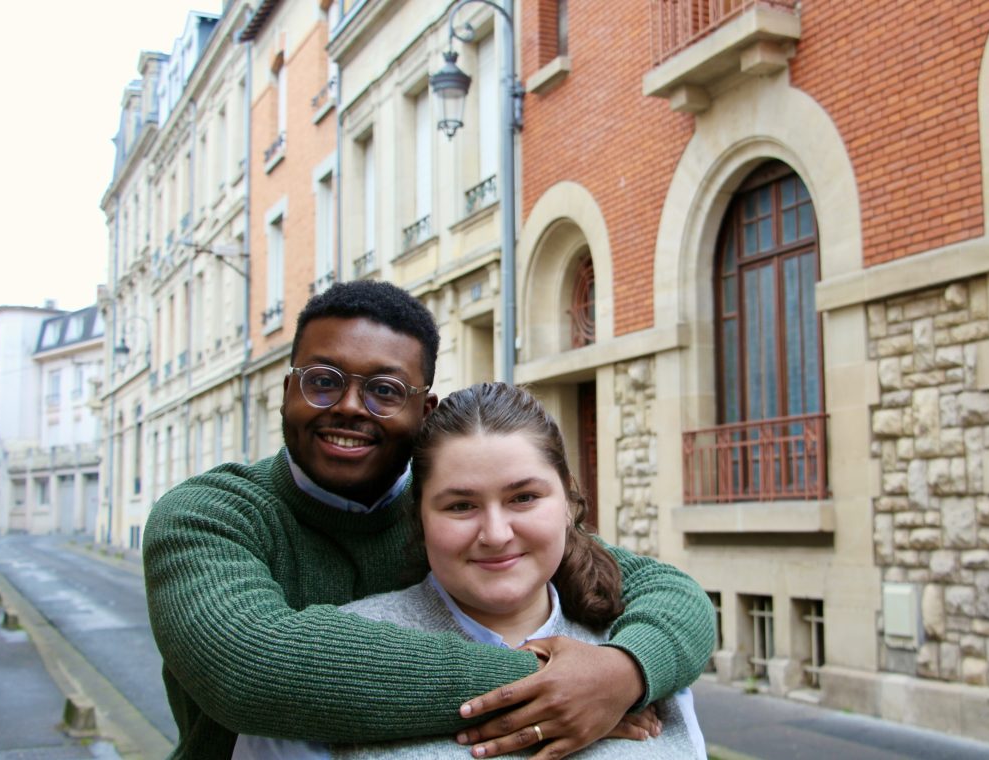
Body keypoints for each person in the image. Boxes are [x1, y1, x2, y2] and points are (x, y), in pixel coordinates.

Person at [143, 280, 716, 760]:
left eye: (385, 390)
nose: (347, 405)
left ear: (426, 412)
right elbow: (250, 665)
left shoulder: (459, 506)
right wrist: (553, 690)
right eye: (322, 380)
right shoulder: (209, 516)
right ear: (287, 389)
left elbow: (660, 588)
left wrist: (625, 670)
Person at [232, 382, 707, 758]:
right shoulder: (327, 661)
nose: (496, 533)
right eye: (461, 505)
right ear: (419, 518)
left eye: (524, 497)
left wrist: (624, 676)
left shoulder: (641, 656)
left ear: (569, 501)